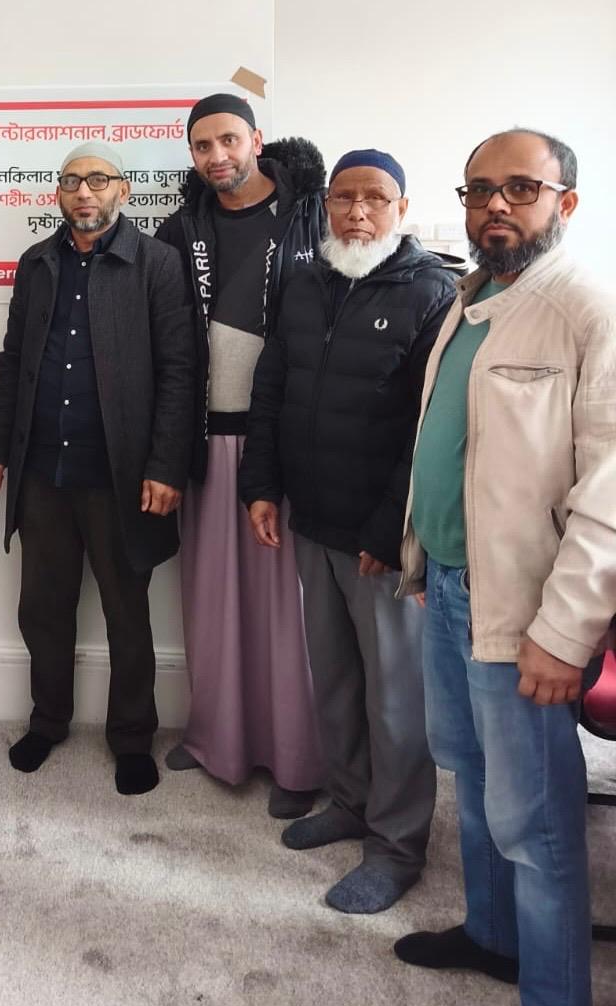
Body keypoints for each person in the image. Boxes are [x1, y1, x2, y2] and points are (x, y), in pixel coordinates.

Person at [393, 129, 616, 1006]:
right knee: (474, 778)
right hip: (451, 587)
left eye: (520, 188)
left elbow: (609, 492)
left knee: (537, 818)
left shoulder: (587, 309)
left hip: (527, 614)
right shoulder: (473, 296)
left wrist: (565, 633)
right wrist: (422, 556)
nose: (495, 204)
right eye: (479, 188)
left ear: (565, 202)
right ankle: (494, 937)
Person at [240, 150, 455, 912]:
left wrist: (387, 528)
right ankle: (352, 801)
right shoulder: (303, 283)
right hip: (311, 520)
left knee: (395, 700)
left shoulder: (433, 293)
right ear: (325, 205)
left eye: (375, 199)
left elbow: (429, 428)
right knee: (333, 680)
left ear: (402, 209)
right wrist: (260, 486)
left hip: (378, 541)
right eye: (344, 198)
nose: (358, 212)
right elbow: (271, 389)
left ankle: (397, 847)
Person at [0, 141, 192, 795]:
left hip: (122, 475)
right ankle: (48, 721)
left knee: (128, 613)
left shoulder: (157, 263)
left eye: (98, 179)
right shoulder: (36, 263)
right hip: (43, 470)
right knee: (42, 608)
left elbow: (180, 371)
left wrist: (166, 466)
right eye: (71, 181)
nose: (84, 192)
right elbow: (15, 360)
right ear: (58, 194)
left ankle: (132, 737)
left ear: (124, 190)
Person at [155, 93, 326, 817]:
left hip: (283, 438)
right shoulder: (180, 227)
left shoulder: (311, 214)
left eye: (229, 139)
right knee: (211, 601)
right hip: (205, 436)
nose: (217, 156)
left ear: (256, 140)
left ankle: (297, 760)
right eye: (203, 146)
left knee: (287, 613)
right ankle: (216, 738)